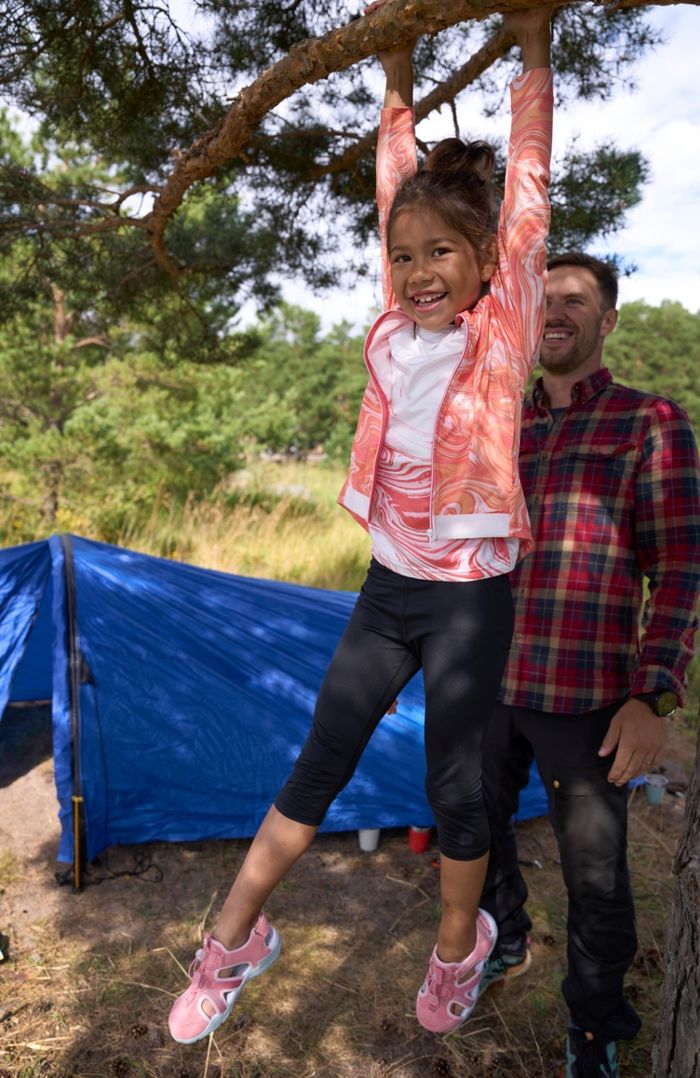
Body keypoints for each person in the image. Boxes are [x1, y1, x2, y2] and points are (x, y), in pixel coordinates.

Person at [168, 7, 553, 1044]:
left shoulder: (501, 328)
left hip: (469, 596)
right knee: (318, 761)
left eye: (443, 254)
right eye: (402, 256)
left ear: (485, 263)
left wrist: (530, 52)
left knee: (456, 790)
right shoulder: (389, 328)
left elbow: (527, 192)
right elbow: (395, 189)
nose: (419, 270)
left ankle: (455, 946)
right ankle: (233, 941)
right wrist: (395, 67)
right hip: (388, 590)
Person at [477, 252, 700, 1077]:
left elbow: (678, 565)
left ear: (607, 322)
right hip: (488, 681)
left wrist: (653, 695)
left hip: (588, 695)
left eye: (576, 300)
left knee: (597, 878)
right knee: (468, 821)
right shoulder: (501, 424)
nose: (556, 313)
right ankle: (502, 940)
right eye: (544, 301)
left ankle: (597, 1025)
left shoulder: (650, 422)